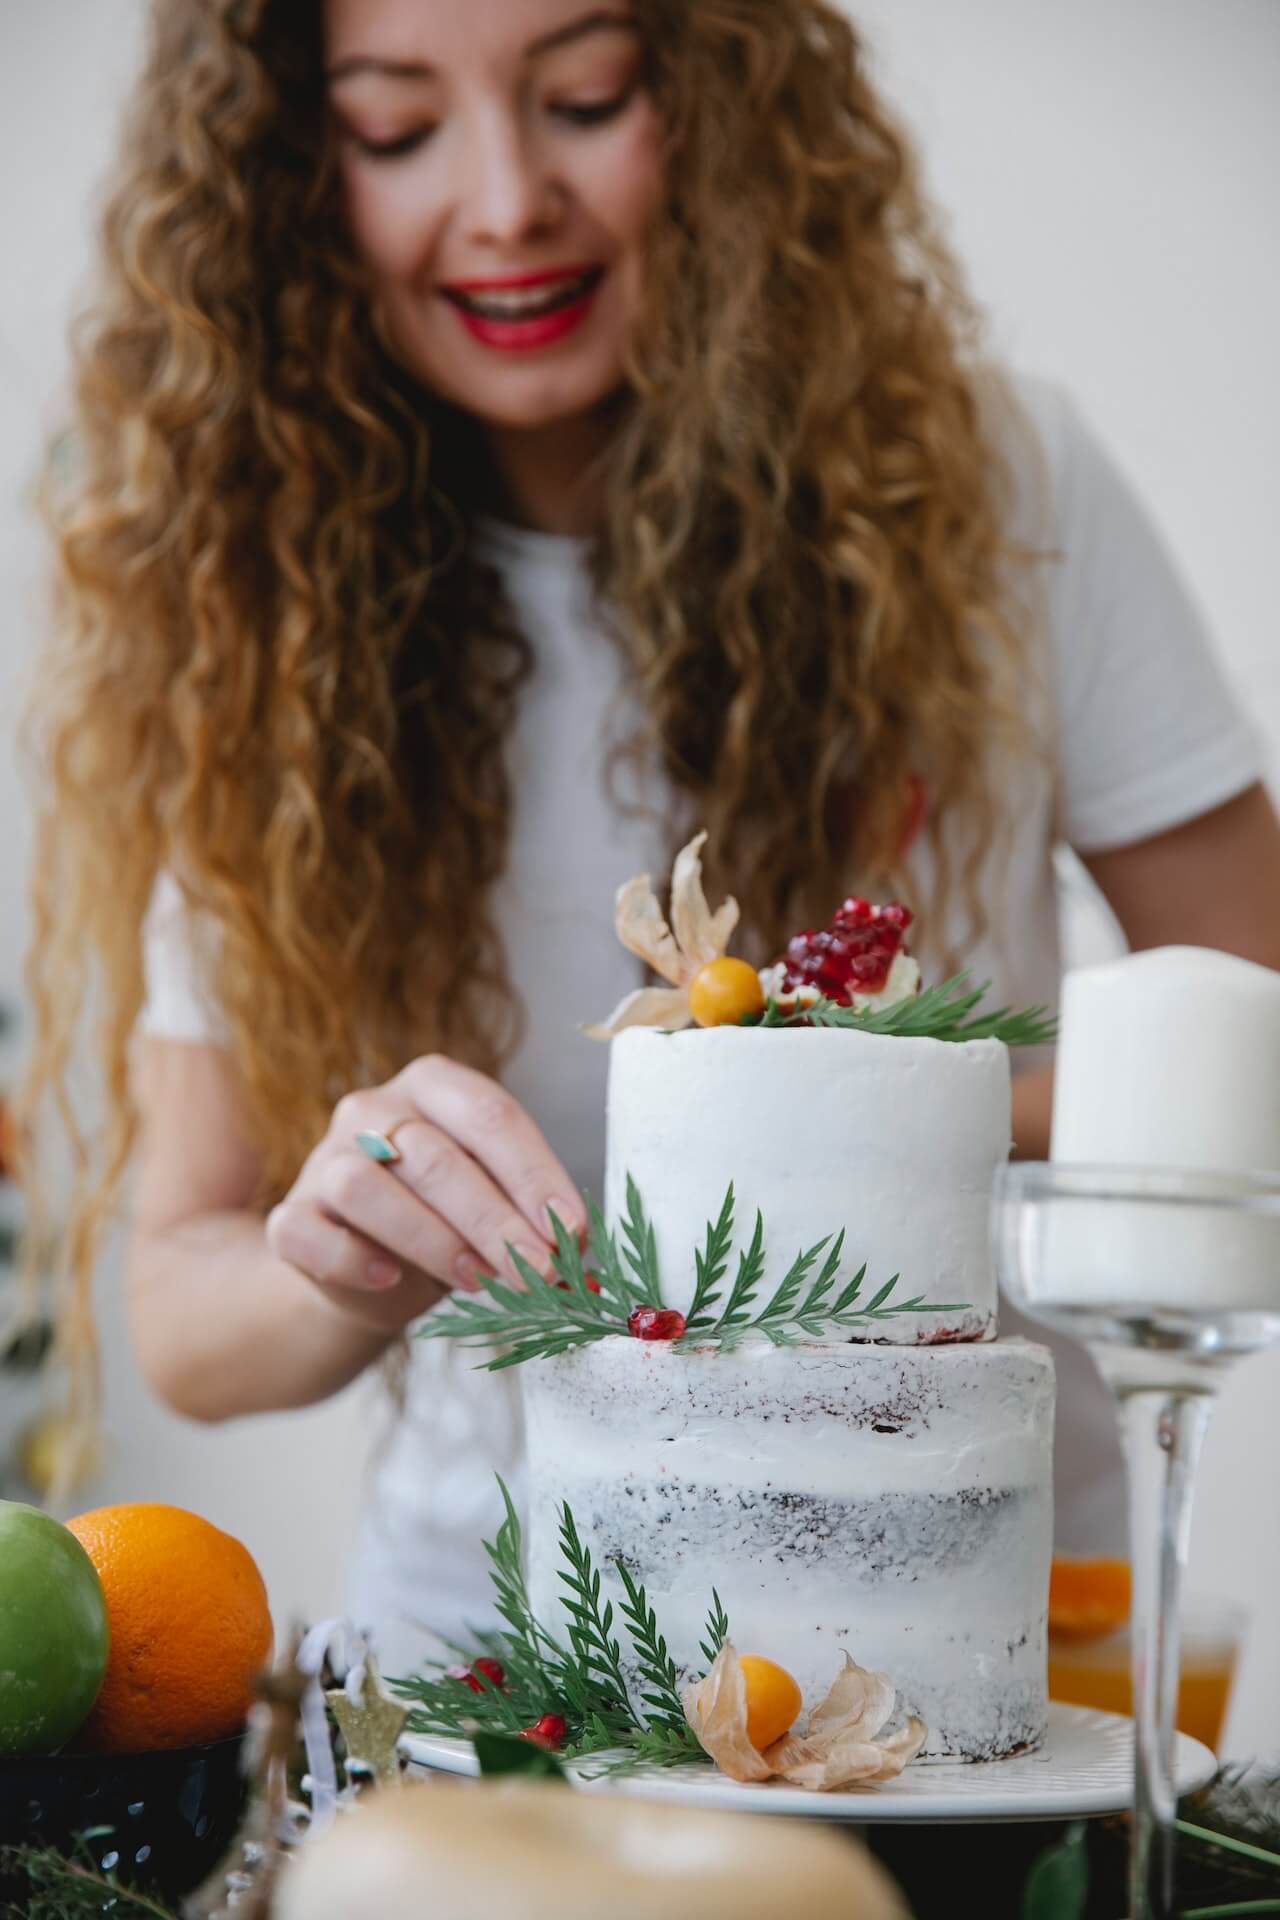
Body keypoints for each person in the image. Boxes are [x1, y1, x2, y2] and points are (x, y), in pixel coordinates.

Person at [23, 0, 1280, 1672]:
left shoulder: (999, 493)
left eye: (586, 98)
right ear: (289, 186)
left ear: (717, 105)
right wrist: (351, 1253)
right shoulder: (261, 614)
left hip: (981, 1652)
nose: (506, 201)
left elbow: (1252, 1028)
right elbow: (188, 1318)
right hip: (497, 1649)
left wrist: (835, 1117)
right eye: (399, 128)